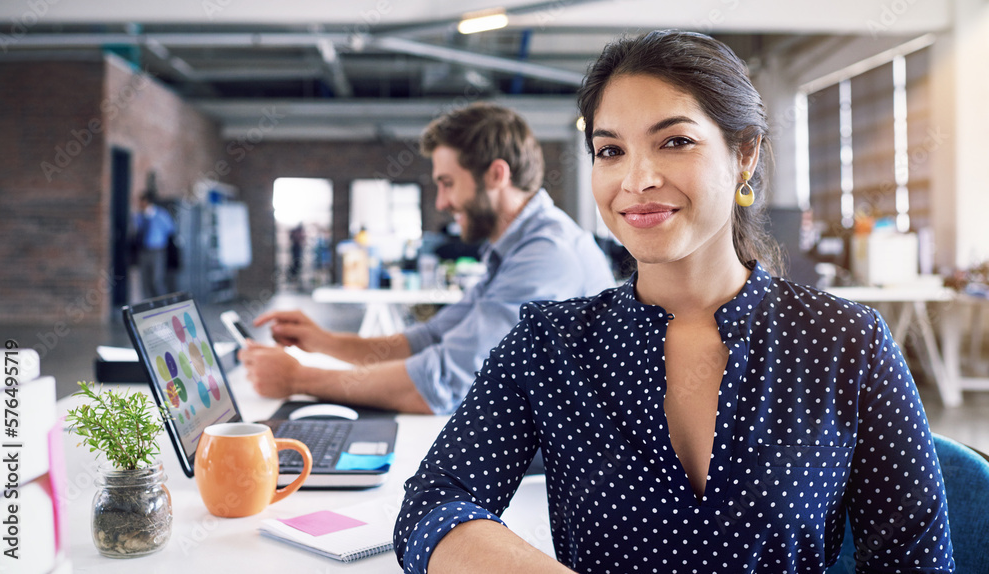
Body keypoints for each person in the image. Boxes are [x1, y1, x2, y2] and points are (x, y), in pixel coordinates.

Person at [394, 31, 954, 573]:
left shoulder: (847, 343)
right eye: (610, 150)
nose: (636, 180)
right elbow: (432, 506)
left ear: (745, 154)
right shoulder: (551, 343)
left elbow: (915, 563)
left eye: (675, 141)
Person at [238, 103, 615, 415]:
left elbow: (443, 384)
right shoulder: (515, 248)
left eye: (447, 183)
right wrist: (324, 342)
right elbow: (430, 339)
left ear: (496, 175)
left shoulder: (548, 255)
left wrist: (299, 379)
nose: (441, 203)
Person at [133, 188, 176, 299]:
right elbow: (135, 231)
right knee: (145, 281)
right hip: (143, 250)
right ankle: (147, 306)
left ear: (147, 201)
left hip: (157, 250)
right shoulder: (139, 216)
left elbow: (170, 229)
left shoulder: (161, 215)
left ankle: (162, 304)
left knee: (157, 280)